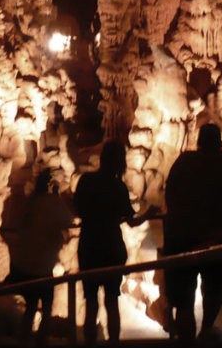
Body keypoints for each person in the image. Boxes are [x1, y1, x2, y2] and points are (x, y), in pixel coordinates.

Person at [164, 123, 222, 342]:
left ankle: (187, 341)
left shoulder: (184, 162)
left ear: (198, 142)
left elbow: (170, 194)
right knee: (213, 288)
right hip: (215, 236)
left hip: (180, 236)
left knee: (183, 300)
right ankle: (207, 329)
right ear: (220, 143)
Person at [74, 141, 150, 345]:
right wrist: (149, 213)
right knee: (111, 301)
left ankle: (90, 343)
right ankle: (113, 343)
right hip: (110, 246)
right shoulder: (118, 187)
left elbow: (77, 210)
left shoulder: (86, 181)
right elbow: (132, 221)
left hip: (89, 245)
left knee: (90, 303)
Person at [7, 170, 73, 345]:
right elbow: (67, 220)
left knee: (30, 306)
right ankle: (41, 340)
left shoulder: (31, 201)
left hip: (26, 263)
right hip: (43, 265)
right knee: (47, 305)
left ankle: (26, 340)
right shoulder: (52, 202)